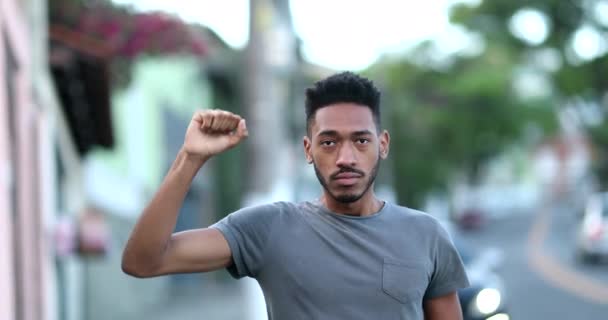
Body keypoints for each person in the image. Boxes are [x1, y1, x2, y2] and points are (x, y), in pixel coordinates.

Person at [122, 72, 470, 319]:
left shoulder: (427, 235)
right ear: (308, 149)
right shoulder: (268, 229)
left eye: (361, 140)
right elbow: (143, 261)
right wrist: (190, 158)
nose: (345, 158)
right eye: (329, 142)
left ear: (383, 145)